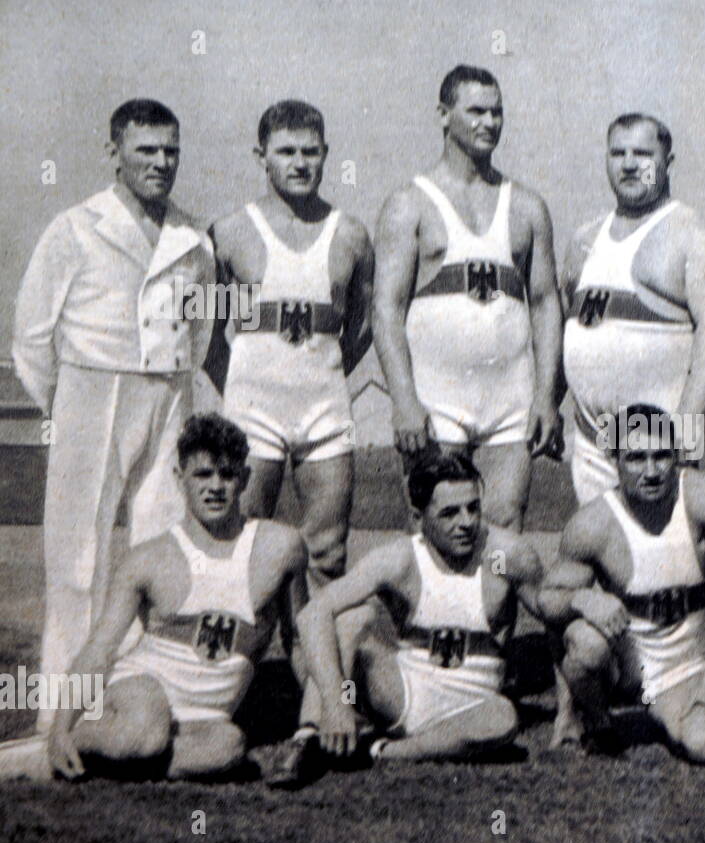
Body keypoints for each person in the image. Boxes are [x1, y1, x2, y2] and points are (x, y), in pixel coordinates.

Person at [12, 98, 215, 732]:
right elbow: (30, 338)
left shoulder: (192, 235)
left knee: (160, 542)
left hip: (168, 394)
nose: (160, 163)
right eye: (146, 150)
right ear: (115, 154)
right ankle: (60, 710)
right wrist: (69, 406)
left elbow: (202, 329)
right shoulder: (75, 227)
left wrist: (172, 387)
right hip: (90, 394)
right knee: (78, 558)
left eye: (170, 151)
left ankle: (144, 700)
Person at [0, 415, 311, 782]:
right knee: (147, 729)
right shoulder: (149, 558)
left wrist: (316, 723)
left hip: (204, 718)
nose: (215, 487)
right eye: (203, 474)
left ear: (243, 480)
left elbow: (301, 640)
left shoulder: (280, 548)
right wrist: (60, 724)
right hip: (140, 691)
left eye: (226, 475)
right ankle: (53, 747)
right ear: (180, 479)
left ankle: (115, 759)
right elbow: (100, 648)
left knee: (228, 748)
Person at [265, 452, 543, 781]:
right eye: (449, 513)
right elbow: (313, 613)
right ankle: (307, 737)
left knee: (504, 718)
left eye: (473, 507)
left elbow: (552, 617)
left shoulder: (505, 555)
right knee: (351, 619)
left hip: (474, 705)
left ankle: (379, 751)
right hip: (403, 695)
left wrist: (570, 713)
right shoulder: (400, 559)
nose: (466, 522)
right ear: (418, 517)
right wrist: (336, 701)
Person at [371, 64, 563, 530]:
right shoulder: (408, 203)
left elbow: (545, 303)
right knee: (435, 532)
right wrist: (403, 401)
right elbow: (386, 310)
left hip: (509, 402)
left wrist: (546, 396)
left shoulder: (527, 206)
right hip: (437, 402)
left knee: (502, 528)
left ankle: (496, 605)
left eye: (497, 112)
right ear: (443, 114)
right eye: (476, 111)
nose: (489, 123)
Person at [204, 100, 374, 589]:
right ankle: (240, 663)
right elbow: (204, 333)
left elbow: (364, 327)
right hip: (252, 412)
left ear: (326, 154)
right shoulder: (227, 233)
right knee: (242, 545)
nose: (300, 163)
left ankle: (312, 659)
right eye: (286, 152)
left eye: (311, 152)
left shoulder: (352, 235)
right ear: (261, 156)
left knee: (327, 551)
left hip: (325, 412)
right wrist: (236, 388)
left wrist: (327, 376)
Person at [537, 404, 705, 763]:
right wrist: (584, 600)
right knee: (585, 642)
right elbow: (547, 599)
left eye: (661, 457)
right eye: (635, 458)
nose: (650, 471)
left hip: (687, 668)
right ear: (614, 459)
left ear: (677, 456)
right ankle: (599, 723)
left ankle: (675, 709)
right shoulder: (593, 524)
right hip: (628, 662)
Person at [560, 112, 705, 503]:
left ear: (667, 162)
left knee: (668, 557)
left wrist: (687, 431)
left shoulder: (696, 236)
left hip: (660, 451)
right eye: (617, 153)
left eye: (642, 153)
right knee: (602, 552)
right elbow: (566, 329)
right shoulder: (585, 239)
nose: (628, 164)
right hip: (594, 444)